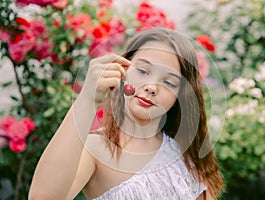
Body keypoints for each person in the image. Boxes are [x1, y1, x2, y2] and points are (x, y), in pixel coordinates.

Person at [29, 28, 224, 200]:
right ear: (122, 69)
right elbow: (43, 197)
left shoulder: (183, 151)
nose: (152, 87)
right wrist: (87, 99)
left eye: (169, 82)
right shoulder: (96, 149)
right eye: (142, 71)